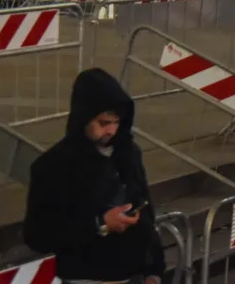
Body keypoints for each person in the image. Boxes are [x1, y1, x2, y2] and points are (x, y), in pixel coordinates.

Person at [23, 69, 162, 284]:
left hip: (133, 274)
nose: (111, 131)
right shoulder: (54, 165)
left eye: (116, 122)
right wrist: (100, 224)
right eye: (103, 123)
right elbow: (38, 234)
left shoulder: (129, 154)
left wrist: (154, 272)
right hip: (85, 277)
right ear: (83, 118)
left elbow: (146, 212)